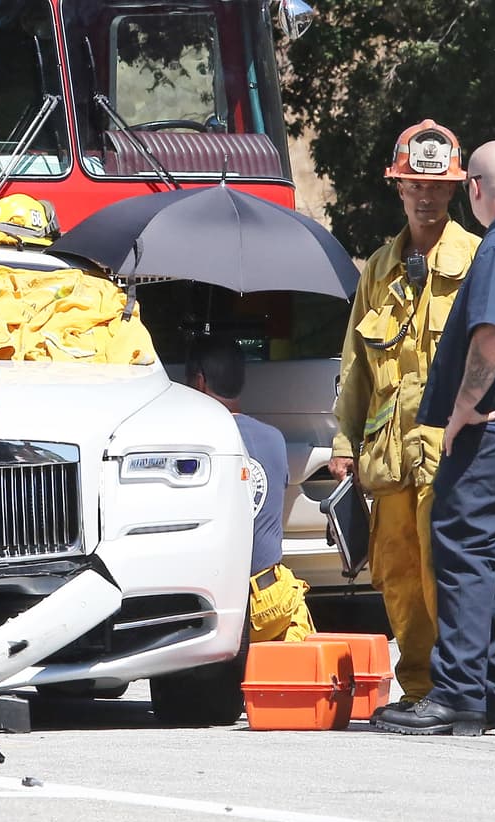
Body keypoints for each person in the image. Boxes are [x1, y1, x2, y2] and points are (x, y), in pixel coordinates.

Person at [375, 141, 495, 737]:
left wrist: (462, 410)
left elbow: (492, 337)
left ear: (475, 190)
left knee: (460, 543)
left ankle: (459, 694)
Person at [329, 119, 480, 714]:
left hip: (449, 452)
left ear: (455, 191)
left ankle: (459, 687)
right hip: (389, 455)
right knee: (396, 573)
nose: (425, 196)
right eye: (414, 185)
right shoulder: (378, 270)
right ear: (397, 188)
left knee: (445, 572)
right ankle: (419, 689)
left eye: (437, 187)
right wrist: (343, 442)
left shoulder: (477, 259)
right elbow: (356, 366)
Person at [186, 336, 315, 642]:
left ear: (200, 382)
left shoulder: (189, 443)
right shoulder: (274, 439)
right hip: (271, 602)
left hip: (212, 609)